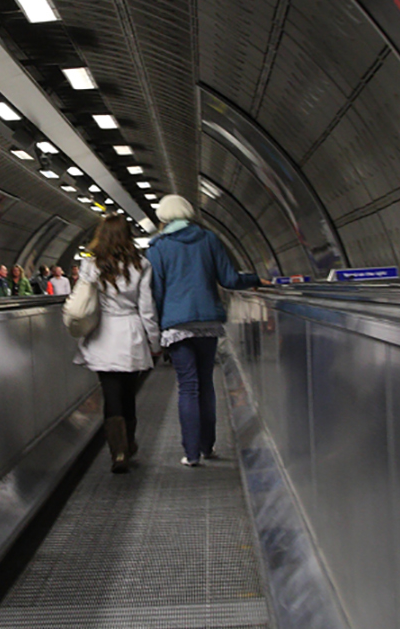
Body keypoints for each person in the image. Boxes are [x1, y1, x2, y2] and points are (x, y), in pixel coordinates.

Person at [146, 194, 263, 467]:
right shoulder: (209, 239)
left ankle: (191, 453)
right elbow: (230, 279)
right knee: (206, 384)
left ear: (163, 217)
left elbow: (157, 292)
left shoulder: (158, 248)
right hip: (208, 321)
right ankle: (208, 445)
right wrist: (256, 279)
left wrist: (159, 327)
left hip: (176, 323)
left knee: (188, 387)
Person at [74, 216, 159, 473]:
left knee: (110, 394)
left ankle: (118, 451)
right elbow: (147, 309)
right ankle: (129, 441)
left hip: (103, 334)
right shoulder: (141, 265)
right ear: (127, 235)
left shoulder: (91, 265)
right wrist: (154, 341)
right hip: (131, 332)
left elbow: (83, 300)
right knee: (128, 393)